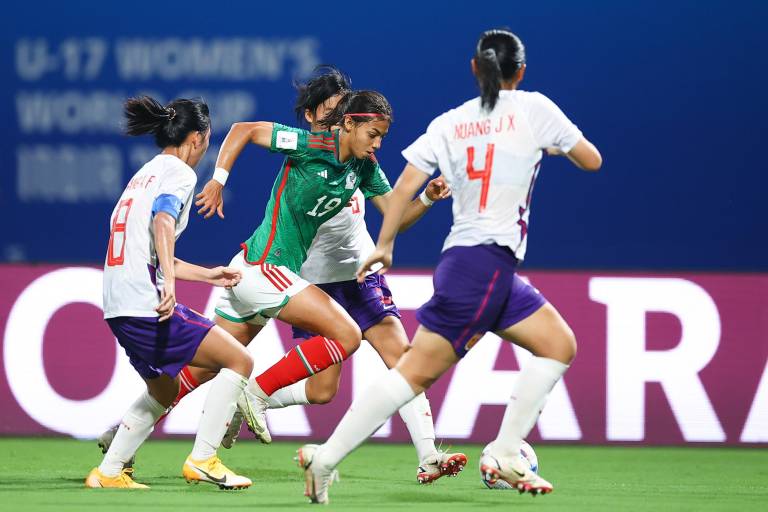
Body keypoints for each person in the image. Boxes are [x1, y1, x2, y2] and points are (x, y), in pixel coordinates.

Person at [298, 29, 603, 504]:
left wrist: (385, 245)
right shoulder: (534, 109)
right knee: (412, 375)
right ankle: (334, 457)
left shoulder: (451, 122)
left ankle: (498, 450)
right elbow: (592, 160)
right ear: (519, 71)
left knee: (557, 345)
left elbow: (400, 190)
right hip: (484, 266)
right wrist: (551, 143)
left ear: (473, 69)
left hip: (471, 263)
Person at [266, 67, 464, 486]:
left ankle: (429, 454)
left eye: (345, 107)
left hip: (359, 276)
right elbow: (250, 133)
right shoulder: (304, 152)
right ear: (311, 116)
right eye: (332, 109)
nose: (341, 116)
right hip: (315, 285)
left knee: (404, 356)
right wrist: (220, 178)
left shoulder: (363, 159)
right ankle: (254, 398)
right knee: (322, 392)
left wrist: (426, 197)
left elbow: (392, 215)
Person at [86, 96, 254, 490]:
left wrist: (207, 276)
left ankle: (109, 472)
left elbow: (154, 251)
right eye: (207, 142)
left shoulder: (143, 174)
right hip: (145, 302)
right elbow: (163, 222)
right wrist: (170, 286)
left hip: (118, 305)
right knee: (239, 360)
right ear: (197, 138)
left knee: (165, 388)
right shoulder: (180, 173)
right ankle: (204, 459)